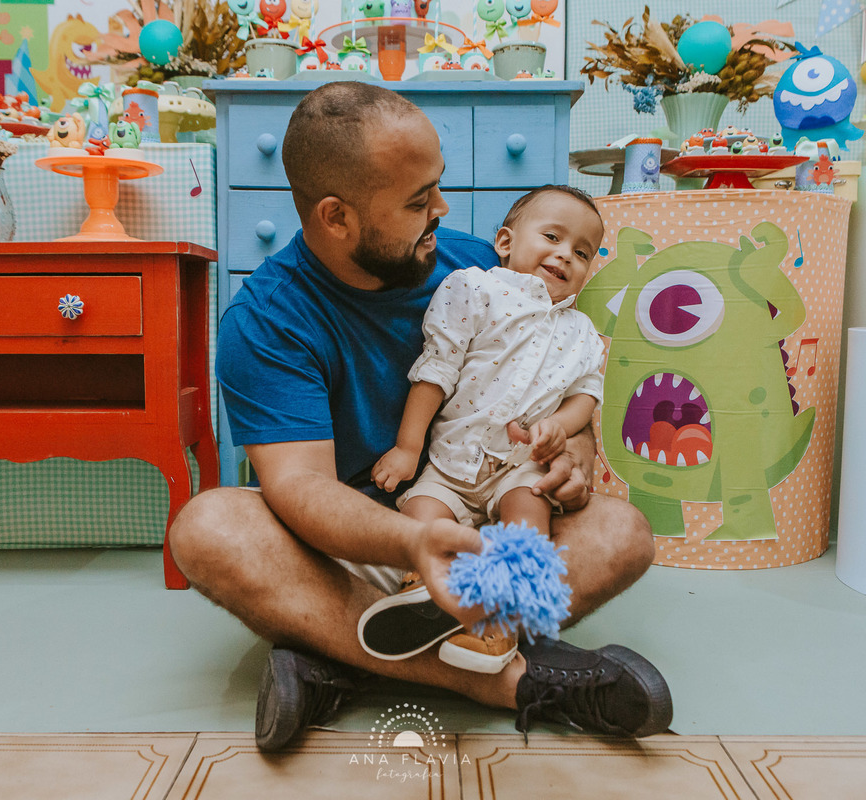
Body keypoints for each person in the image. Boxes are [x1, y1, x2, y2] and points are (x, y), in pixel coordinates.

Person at [168, 81, 671, 753]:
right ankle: (511, 679)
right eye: (417, 201)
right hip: (352, 555)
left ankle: (337, 661)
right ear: (336, 217)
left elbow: (558, 381)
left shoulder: (479, 269)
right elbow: (301, 490)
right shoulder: (264, 322)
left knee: (622, 532)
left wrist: (573, 453)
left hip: (477, 527)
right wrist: (412, 545)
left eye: (436, 186)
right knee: (208, 530)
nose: (441, 209)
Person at [364, 185, 608, 675]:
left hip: (519, 467)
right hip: (451, 462)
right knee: (423, 512)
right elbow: (436, 371)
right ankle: (424, 591)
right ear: (505, 241)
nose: (565, 255)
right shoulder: (474, 289)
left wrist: (557, 428)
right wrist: (407, 450)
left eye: (581, 253)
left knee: (528, 516)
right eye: (552, 237)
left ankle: (499, 623)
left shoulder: (582, 333)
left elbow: (586, 396)